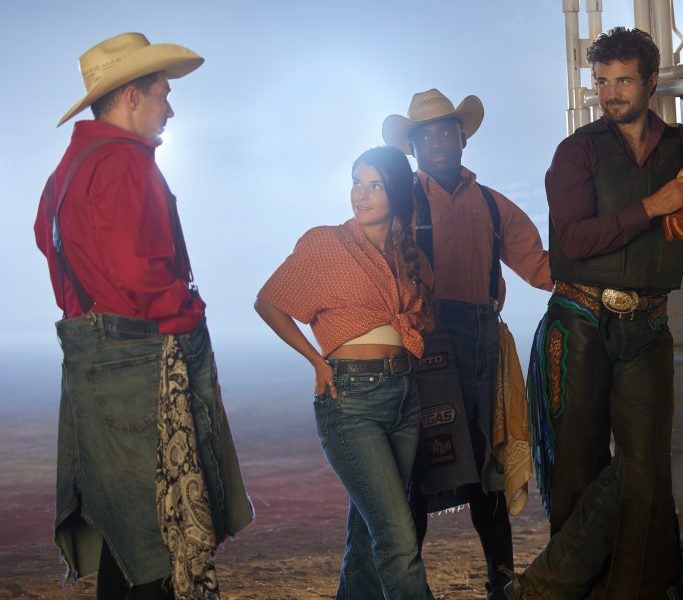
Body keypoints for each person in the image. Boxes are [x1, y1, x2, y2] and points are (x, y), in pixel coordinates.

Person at [508, 27, 683, 599]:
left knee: (646, 469)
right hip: (579, 319)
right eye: (602, 81)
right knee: (577, 466)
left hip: (648, 323)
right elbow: (572, 242)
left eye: (624, 80)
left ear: (651, 81)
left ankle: (605, 592)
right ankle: (568, 592)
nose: (610, 93)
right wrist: (654, 205)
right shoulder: (577, 150)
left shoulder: (679, 142)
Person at [33, 32, 253, 599]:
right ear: (132, 96)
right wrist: (188, 310)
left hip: (90, 361)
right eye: (163, 94)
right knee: (164, 532)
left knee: (125, 536)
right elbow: (138, 272)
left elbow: (52, 255)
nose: (169, 109)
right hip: (142, 360)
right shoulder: (126, 163)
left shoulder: (64, 173)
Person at [381, 89, 552, 599]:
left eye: (445, 132)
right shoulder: (398, 204)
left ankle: (502, 580)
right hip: (421, 345)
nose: (437, 141)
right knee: (417, 467)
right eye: (425, 135)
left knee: (487, 463)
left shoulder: (493, 207)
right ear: (413, 147)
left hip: (480, 342)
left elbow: (542, 268)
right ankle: (409, 589)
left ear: (462, 138)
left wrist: (601, 273)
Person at [255, 146, 436, 599]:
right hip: (351, 400)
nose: (361, 194)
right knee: (398, 538)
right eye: (357, 182)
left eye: (375, 185)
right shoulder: (325, 243)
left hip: (404, 397)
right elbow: (269, 302)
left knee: (368, 536)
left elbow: (423, 320)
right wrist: (316, 360)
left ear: (397, 192)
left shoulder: (409, 255)